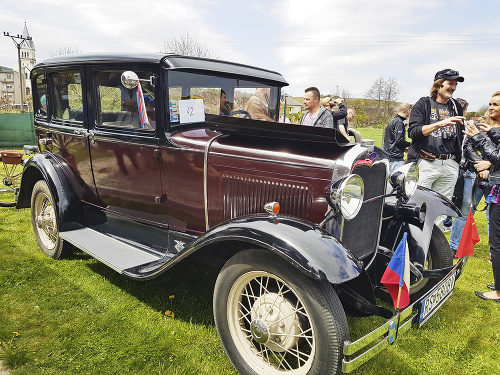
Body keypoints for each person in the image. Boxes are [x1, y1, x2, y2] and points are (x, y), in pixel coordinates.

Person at [407, 69, 465, 218]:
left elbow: (460, 134)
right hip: (427, 163)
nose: (453, 87)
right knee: (417, 206)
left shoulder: (456, 106)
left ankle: (433, 241)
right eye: (450, 83)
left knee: (441, 210)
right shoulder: (423, 104)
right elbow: (413, 132)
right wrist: (440, 123)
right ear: (438, 84)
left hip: (450, 164)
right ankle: (412, 241)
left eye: (455, 84)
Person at [462, 91, 500, 301]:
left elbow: (496, 156)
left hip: (497, 185)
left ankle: (498, 291)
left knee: (496, 240)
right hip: (487, 180)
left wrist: (479, 137)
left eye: (496, 104)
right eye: (490, 104)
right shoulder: (490, 127)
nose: (491, 107)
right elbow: (472, 148)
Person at [384, 103, 411, 174]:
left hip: (389, 156)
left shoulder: (392, 121)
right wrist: (410, 145)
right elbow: (399, 140)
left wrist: (403, 148)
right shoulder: (399, 123)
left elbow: (392, 140)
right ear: (408, 111)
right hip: (396, 158)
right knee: (397, 182)